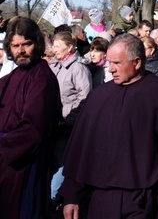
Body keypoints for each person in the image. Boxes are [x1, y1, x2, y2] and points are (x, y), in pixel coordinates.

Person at [60, 33, 158, 219]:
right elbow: (81, 149)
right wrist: (71, 195)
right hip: (100, 197)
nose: (110, 70)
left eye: (117, 63)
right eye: (109, 63)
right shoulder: (98, 97)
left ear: (137, 62)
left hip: (143, 198)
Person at [0, 16, 61, 219]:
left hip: (25, 165)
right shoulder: (8, 79)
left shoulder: (42, 78)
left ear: (37, 43)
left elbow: (34, 129)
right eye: (16, 45)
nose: (21, 50)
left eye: (26, 44)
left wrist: (3, 146)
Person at [50, 31, 92, 208]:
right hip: (52, 125)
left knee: (62, 164)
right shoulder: (53, 65)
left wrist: (67, 118)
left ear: (69, 47)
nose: (54, 49)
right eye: (53, 45)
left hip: (67, 127)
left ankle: (55, 198)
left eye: (58, 46)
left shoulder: (78, 68)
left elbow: (85, 99)